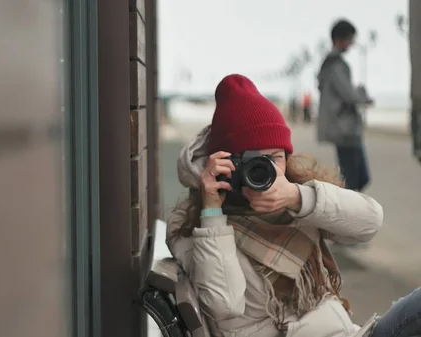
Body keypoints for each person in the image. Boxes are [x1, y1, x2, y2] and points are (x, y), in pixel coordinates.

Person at [166, 74, 421, 337]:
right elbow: (224, 305)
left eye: (274, 157)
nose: (265, 170)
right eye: (253, 160)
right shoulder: (199, 225)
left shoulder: (295, 199)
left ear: (287, 157)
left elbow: (370, 223)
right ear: (226, 164)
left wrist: (299, 198)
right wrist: (212, 213)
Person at [317, 19, 374, 191]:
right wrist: (363, 96)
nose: (351, 44)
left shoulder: (328, 64)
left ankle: (350, 213)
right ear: (339, 39)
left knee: (353, 178)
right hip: (345, 130)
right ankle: (349, 215)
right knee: (355, 180)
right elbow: (349, 95)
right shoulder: (337, 65)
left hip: (341, 129)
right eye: (350, 39)